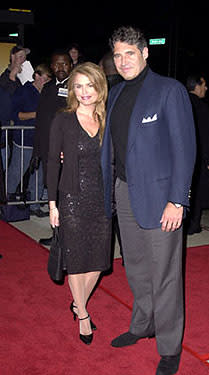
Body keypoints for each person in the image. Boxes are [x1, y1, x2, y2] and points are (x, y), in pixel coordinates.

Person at [101, 26, 196, 375]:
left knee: (165, 274)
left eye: (130, 53)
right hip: (125, 192)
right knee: (136, 267)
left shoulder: (169, 91)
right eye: (118, 54)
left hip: (161, 198)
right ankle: (143, 324)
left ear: (145, 53)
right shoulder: (116, 93)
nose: (123, 60)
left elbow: (185, 150)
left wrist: (177, 200)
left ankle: (170, 346)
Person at [47, 62, 111, 345]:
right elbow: (52, 162)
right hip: (71, 198)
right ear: (72, 90)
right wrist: (52, 204)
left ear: (100, 88)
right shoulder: (63, 119)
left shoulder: (107, 119)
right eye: (78, 86)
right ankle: (83, 313)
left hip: (101, 199)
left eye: (90, 85)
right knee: (75, 259)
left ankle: (77, 303)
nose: (84, 92)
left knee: (97, 261)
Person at [32, 51, 73, 244]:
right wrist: (37, 150)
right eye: (56, 65)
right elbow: (41, 120)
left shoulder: (76, 87)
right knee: (53, 196)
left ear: (71, 65)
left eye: (64, 64)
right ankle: (57, 234)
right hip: (49, 153)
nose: (60, 68)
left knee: (66, 196)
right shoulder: (48, 88)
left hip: (67, 154)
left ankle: (67, 236)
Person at [8, 64, 52, 216]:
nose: (46, 83)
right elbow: (15, 115)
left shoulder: (46, 93)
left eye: (48, 80)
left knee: (38, 174)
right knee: (16, 172)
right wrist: (36, 114)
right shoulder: (23, 91)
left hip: (40, 140)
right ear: (37, 76)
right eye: (44, 79)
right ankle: (5, 202)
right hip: (24, 139)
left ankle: (34, 205)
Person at [99, 51, 124, 265]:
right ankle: (127, 255)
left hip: (104, 159)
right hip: (122, 162)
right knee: (122, 213)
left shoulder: (101, 91)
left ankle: (104, 256)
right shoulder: (127, 89)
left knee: (107, 212)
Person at [186, 74, 209, 234]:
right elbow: (207, 135)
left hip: (184, 157)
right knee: (197, 193)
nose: (205, 88)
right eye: (203, 85)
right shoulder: (201, 107)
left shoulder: (181, 102)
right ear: (196, 86)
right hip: (198, 158)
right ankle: (193, 224)